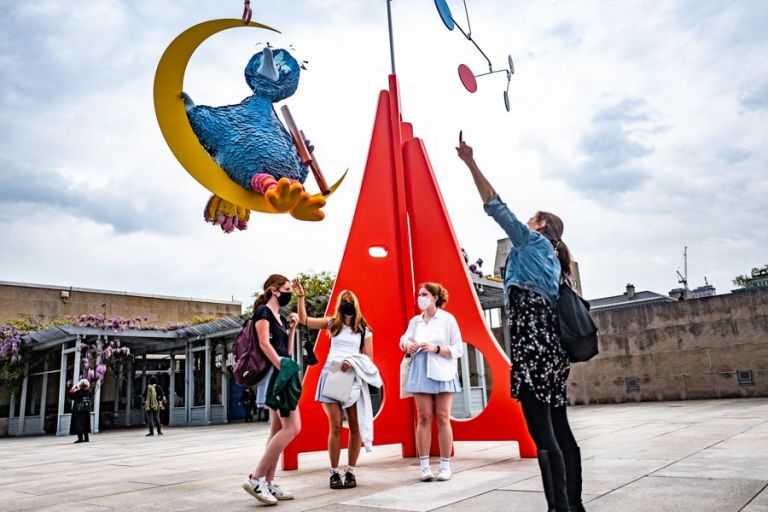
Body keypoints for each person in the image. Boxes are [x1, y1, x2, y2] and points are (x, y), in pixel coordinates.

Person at [457, 133, 585, 512]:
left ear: (541, 224)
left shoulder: (531, 243)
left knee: (542, 433)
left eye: (533, 217)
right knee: (559, 427)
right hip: (553, 350)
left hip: (532, 347)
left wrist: (470, 162)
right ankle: (572, 505)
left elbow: (496, 207)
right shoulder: (555, 259)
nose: (527, 220)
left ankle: (558, 509)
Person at [295, 282, 373, 490]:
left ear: (356, 305)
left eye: (351, 301)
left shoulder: (364, 329)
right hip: (332, 374)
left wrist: (354, 363)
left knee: (355, 426)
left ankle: (351, 471)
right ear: (339, 304)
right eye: (344, 301)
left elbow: (369, 360)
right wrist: (301, 297)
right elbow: (304, 320)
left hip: (352, 377)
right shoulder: (331, 324)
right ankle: (334, 472)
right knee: (336, 425)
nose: (347, 304)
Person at [242, 274, 300, 506]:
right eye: (286, 289)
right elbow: (264, 343)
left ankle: (268, 482)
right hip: (277, 374)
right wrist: (282, 368)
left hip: (282, 370)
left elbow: (285, 349)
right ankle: (255, 479)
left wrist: (292, 329)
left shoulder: (280, 316)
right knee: (293, 427)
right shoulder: (263, 312)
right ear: (274, 290)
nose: (289, 293)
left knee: (277, 429)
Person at [399, 282, 464, 482]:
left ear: (435, 297)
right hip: (420, 369)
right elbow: (403, 340)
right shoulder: (415, 321)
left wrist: (437, 349)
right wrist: (407, 344)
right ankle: (424, 466)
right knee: (424, 417)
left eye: (425, 294)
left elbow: (458, 348)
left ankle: (445, 466)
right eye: (419, 294)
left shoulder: (447, 319)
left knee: (443, 416)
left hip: (443, 370)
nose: (421, 297)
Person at [68, 378, 92, 443]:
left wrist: (73, 388)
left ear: (80, 385)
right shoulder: (89, 392)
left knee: (78, 424)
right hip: (86, 410)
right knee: (85, 423)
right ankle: (86, 438)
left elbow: (70, 395)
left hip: (78, 410)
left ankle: (80, 439)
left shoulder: (78, 392)